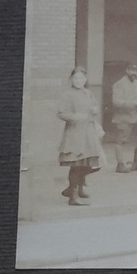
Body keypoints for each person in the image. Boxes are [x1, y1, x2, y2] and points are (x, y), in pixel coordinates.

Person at [55, 67, 103, 205]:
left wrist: (95, 109)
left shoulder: (88, 93)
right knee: (76, 165)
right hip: (74, 134)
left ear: (86, 79)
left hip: (88, 133)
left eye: (81, 78)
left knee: (91, 164)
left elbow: (94, 106)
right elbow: (60, 113)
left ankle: (76, 188)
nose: (78, 81)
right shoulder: (67, 95)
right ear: (71, 80)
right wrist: (75, 117)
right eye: (76, 78)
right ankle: (73, 196)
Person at [109, 62, 137, 173]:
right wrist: (134, 103)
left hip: (135, 116)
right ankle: (120, 164)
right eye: (131, 70)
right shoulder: (119, 84)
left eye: (136, 71)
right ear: (126, 71)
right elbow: (116, 102)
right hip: (123, 116)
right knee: (120, 141)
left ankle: (135, 162)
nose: (134, 73)